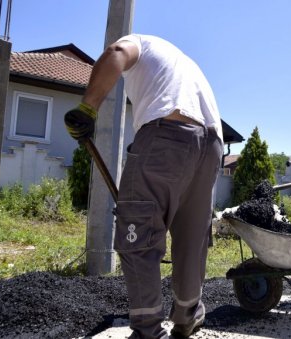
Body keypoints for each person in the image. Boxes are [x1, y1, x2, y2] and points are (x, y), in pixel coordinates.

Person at [64, 34, 223, 339]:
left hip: (168, 138)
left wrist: (88, 107)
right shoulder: (184, 64)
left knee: (137, 235)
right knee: (192, 237)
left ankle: (149, 332)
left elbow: (117, 52)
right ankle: (188, 313)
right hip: (210, 146)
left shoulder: (139, 42)